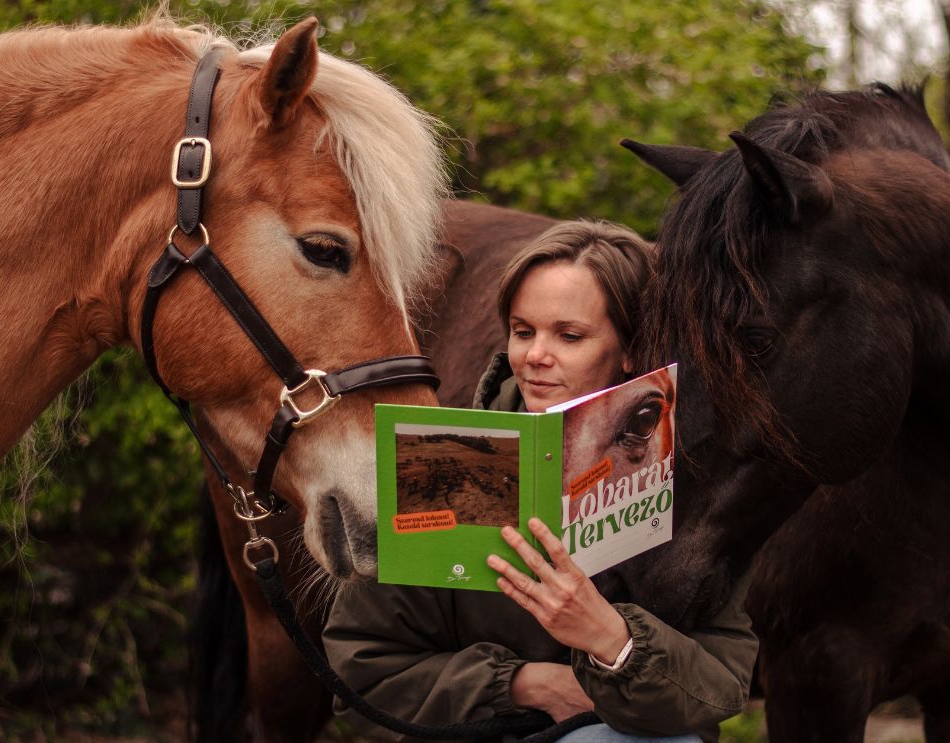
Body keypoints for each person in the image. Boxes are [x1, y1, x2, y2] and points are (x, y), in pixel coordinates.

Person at [323, 220, 757, 743]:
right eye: (523, 331)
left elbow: (724, 682)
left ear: (632, 350)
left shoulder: (686, 479)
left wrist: (613, 641)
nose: (534, 357)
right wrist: (526, 684)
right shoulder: (440, 459)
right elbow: (363, 670)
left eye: (569, 336)